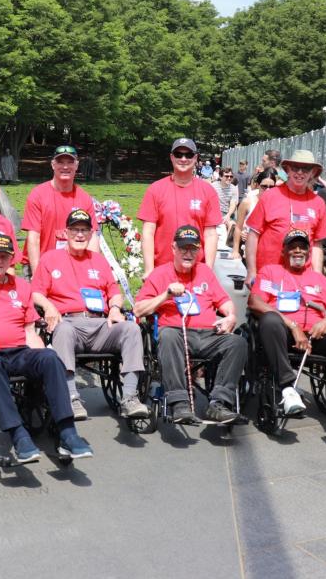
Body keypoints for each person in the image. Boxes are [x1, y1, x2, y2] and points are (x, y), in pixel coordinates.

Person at [0, 232, 94, 462]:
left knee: (50, 359)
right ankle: (19, 434)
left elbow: (29, 331)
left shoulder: (22, 287)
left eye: (4, 256)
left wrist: (45, 352)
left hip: (20, 351)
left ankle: (68, 432)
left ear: (11, 260)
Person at [31, 209, 148, 420]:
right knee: (63, 329)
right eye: (75, 229)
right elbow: (36, 293)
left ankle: (130, 398)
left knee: (131, 328)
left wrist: (114, 308)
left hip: (100, 323)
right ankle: (71, 397)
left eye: (84, 230)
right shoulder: (50, 258)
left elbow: (115, 292)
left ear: (91, 234)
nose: (79, 235)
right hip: (68, 322)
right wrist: (48, 307)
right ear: (65, 233)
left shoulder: (99, 261)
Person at [248, 229, 326, 421]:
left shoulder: (320, 280)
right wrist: (292, 325)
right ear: (283, 251)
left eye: (302, 247)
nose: (298, 251)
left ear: (309, 252)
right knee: (269, 319)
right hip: (282, 334)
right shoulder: (270, 272)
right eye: (292, 247)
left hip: (317, 337)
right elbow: (255, 302)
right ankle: (287, 389)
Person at [133, 225, 245, 425]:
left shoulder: (205, 272)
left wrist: (231, 316)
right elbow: (139, 309)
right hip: (177, 334)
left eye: (193, 249)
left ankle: (219, 402)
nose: (188, 253)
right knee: (167, 336)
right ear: (173, 248)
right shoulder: (159, 274)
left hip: (209, 333)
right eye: (183, 248)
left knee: (237, 343)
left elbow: (225, 302)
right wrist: (166, 294)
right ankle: (180, 403)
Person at [138, 138, 221, 277]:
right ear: (171, 157)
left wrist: (208, 271)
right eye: (178, 154)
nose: (183, 159)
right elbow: (148, 232)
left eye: (188, 155)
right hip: (162, 270)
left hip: (196, 271)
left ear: (195, 158)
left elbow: (211, 234)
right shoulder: (155, 189)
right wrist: (149, 270)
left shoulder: (208, 191)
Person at [244, 150, 326, 288]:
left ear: (312, 173)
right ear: (288, 170)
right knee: (262, 308)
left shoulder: (318, 203)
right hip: (268, 276)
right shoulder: (270, 196)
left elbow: (317, 245)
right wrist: (251, 271)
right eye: (295, 168)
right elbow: (253, 235)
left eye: (305, 169)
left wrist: (317, 276)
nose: (300, 172)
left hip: (301, 279)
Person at [22, 144, 99, 272]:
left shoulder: (84, 198)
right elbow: (33, 238)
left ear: (76, 165)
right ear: (53, 164)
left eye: (70, 162)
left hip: (74, 266)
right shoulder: (38, 195)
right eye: (60, 162)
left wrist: (92, 270)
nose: (65, 167)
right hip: (42, 265)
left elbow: (92, 237)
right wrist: (37, 274)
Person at [230, 168, 278, 260]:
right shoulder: (247, 202)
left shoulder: (278, 205)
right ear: (257, 185)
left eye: (271, 187)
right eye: (264, 186)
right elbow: (238, 227)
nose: (268, 190)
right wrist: (235, 251)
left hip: (269, 251)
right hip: (249, 252)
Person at [212, 167, 238, 244]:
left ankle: (228, 246)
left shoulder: (233, 188)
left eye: (231, 176)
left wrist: (228, 215)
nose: (229, 178)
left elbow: (233, 203)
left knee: (232, 225)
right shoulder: (213, 186)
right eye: (226, 176)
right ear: (220, 177)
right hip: (215, 212)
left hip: (227, 213)